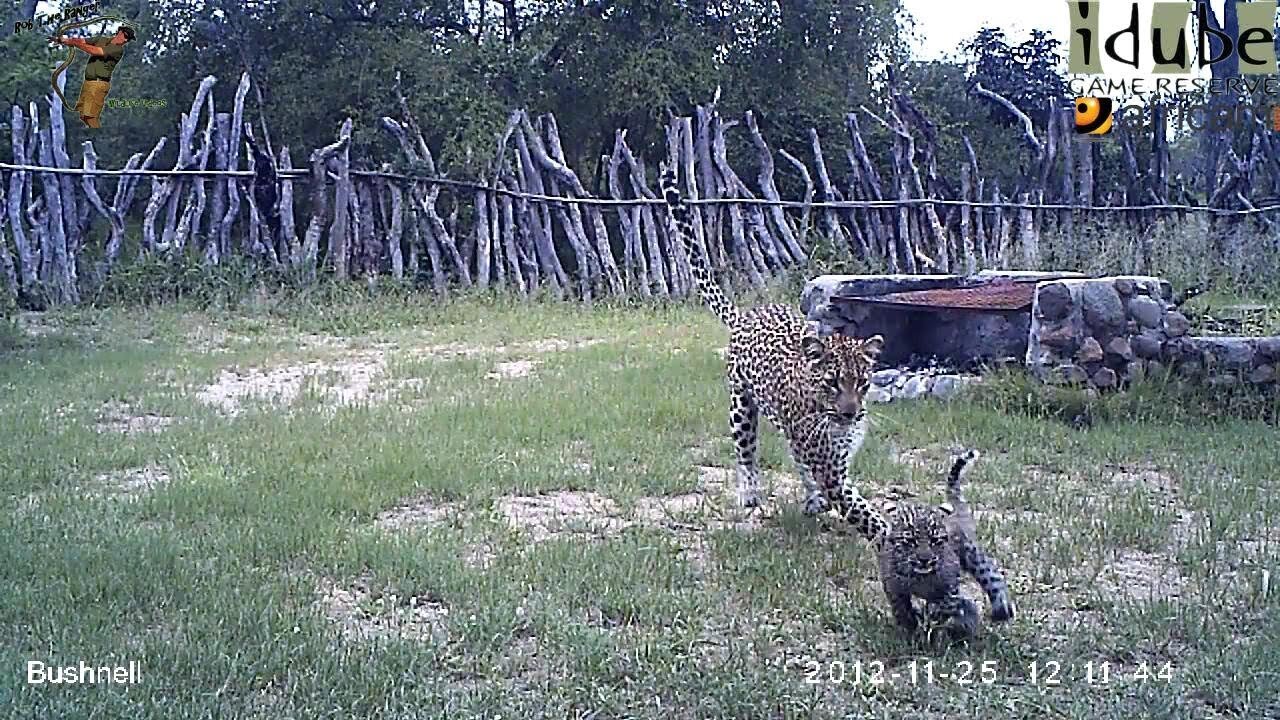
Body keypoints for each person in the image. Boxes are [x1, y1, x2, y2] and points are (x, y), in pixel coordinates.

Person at [49, 25, 134, 128]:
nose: (125, 40)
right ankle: (87, 138)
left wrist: (73, 43)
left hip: (99, 84)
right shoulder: (101, 40)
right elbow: (82, 41)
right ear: (119, 32)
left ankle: (94, 137)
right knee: (83, 115)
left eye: (128, 39)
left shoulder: (117, 50)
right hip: (89, 82)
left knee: (90, 117)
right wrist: (63, 40)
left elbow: (96, 51)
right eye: (125, 36)